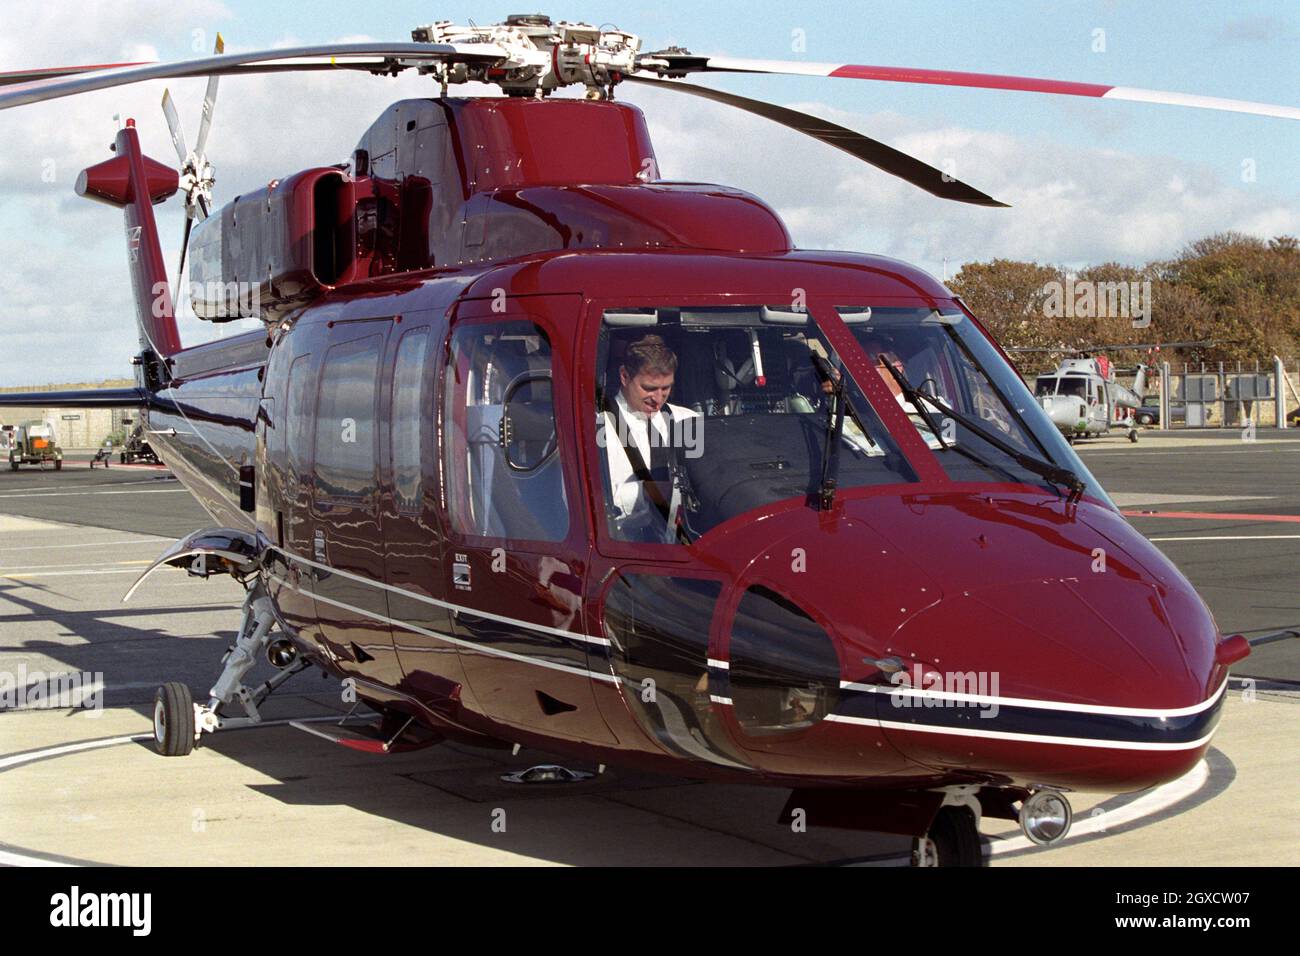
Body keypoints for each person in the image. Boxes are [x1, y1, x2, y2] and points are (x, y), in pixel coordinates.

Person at [598, 335, 700, 542]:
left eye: (666, 388)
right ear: (625, 376)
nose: (658, 399)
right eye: (649, 388)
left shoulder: (689, 421)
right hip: (627, 550)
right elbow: (590, 504)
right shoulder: (598, 427)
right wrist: (646, 493)